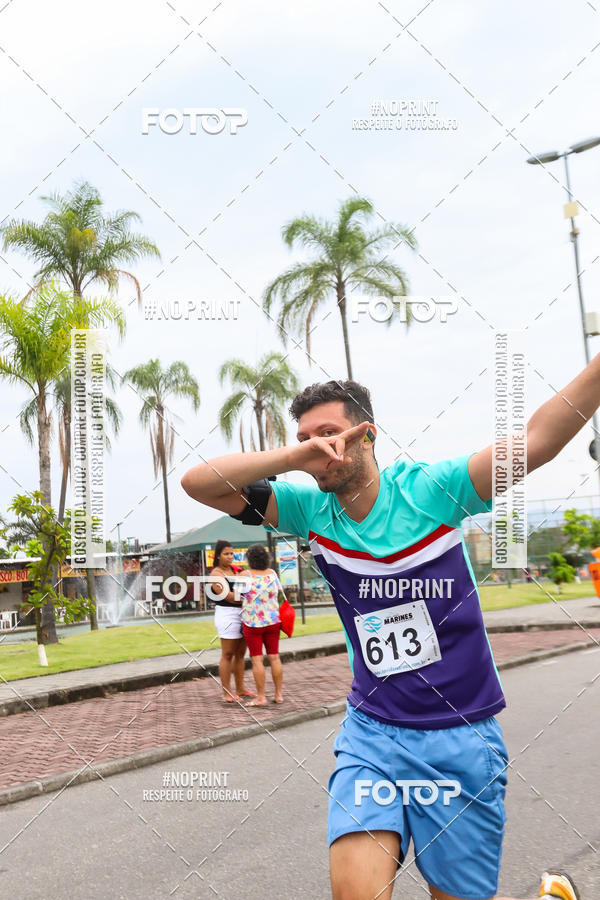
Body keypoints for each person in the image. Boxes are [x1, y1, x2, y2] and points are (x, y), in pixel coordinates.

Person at [181, 371, 592, 900]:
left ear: (367, 435)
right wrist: (293, 457)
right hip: (372, 732)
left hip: (460, 734)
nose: (316, 447)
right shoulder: (308, 510)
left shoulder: (434, 490)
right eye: (305, 438)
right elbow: (200, 484)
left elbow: (538, 441)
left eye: (329, 433)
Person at [209, 540, 255, 703]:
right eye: (226, 554)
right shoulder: (216, 574)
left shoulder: (237, 570)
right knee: (227, 653)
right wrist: (249, 597)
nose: (230, 557)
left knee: (240, 654)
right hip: (227, 614)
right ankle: (227, 692)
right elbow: (228, 596)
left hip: (243, 613)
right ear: (218, 556)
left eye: (231, 553)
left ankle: (240, 688)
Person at [240, 543, 284, 707]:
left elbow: (238, 596)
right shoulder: (272, 574)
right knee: (274, 657)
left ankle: (261, 697)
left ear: (249, 559)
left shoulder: (245, 575)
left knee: (257, 659)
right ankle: (278, 694)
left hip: (252, 623)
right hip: (273, 621)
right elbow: (278, 593)